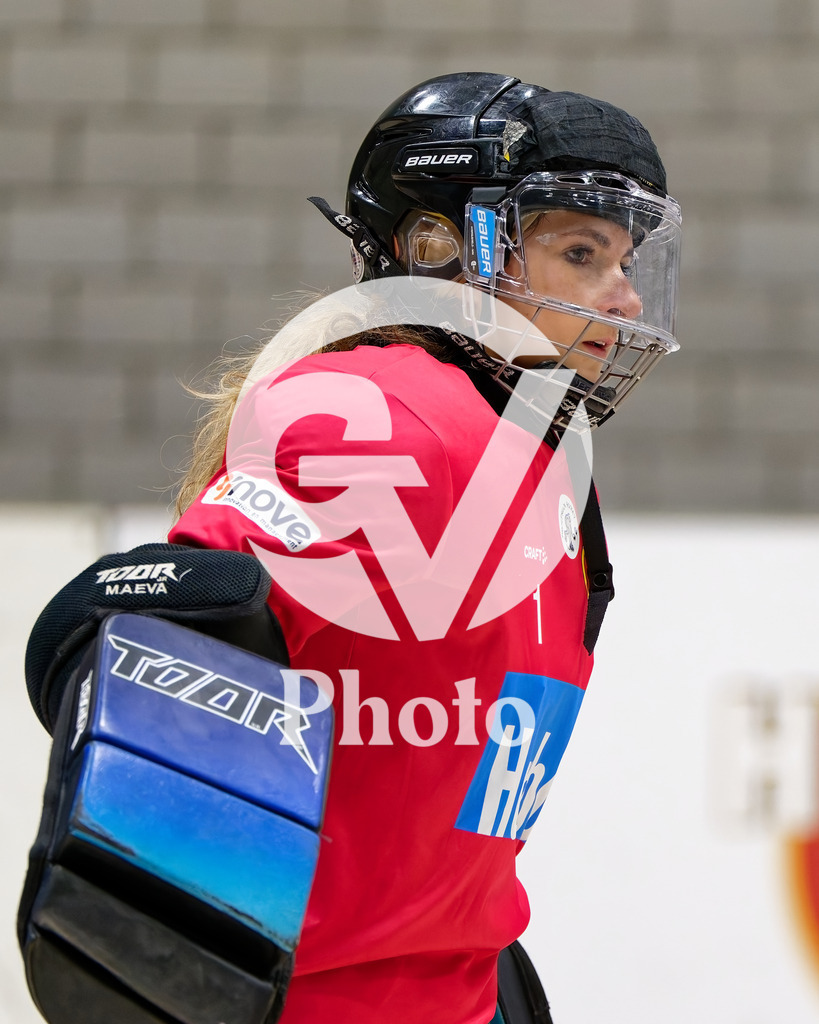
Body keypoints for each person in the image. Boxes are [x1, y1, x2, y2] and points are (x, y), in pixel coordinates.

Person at [20, 73, 682, 1024]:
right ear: (440, 247)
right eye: (581, 252)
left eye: (623, 259)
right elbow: (177, 626)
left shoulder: (536, 456)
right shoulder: (382, 412)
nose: (621, 297)